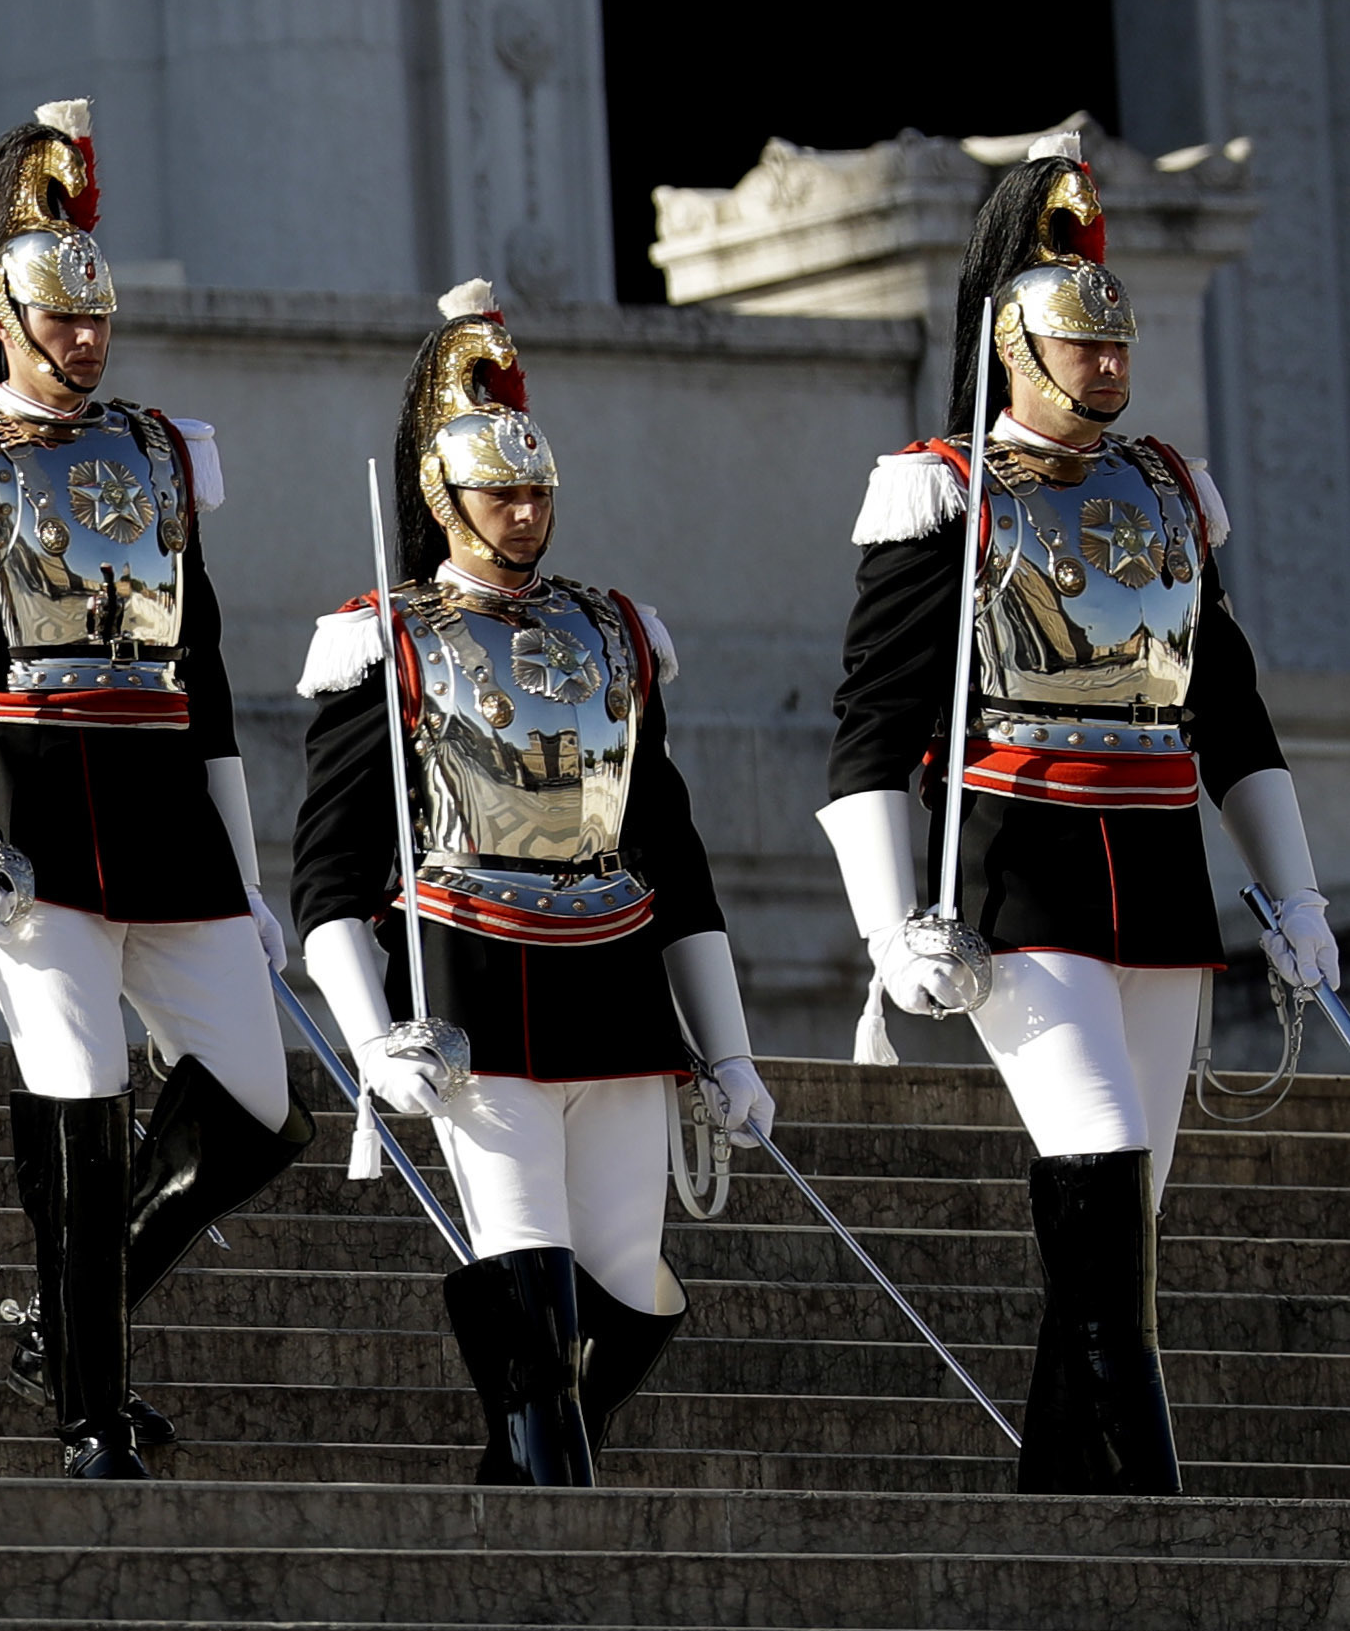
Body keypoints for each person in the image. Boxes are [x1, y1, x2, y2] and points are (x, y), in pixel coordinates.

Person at [823, 137, 1327, 1496]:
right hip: (1022, 876)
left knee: (1123, 1224)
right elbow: (870, 733)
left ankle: (1060, 1514)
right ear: (1013, 345)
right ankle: (1165, 1516)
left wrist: (1295, 894)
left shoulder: (1170, 487)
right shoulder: (944, 490)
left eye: (1119, 345)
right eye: (1080, 345)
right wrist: (891, 926)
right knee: (1099, 1162)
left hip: (1159, 880)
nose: (1109, 366)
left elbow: (1232, 717)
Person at [0, 102, 308, 1478]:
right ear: (4, 314)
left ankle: (67, 1311)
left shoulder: (162, 454)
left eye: (97, 315)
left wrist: (246, 871)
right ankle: (89, 1403)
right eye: (62, 316)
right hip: (33, 829)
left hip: (170, 831)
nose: (87, 337)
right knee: (82, 1090)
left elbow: (211, 691)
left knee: (261, 1105)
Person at [295, 283, 775, 1482]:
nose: (523, 510)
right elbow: (329, 873)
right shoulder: (384, 638)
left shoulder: (613, 632)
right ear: (437, 496)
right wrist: (371, 1035)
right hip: (466, 992)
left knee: (626, 1290)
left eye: (536, 489)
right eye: (498, 491)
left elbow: (672, 857)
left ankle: (511, 1489)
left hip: (612, 992)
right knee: (526, 1272)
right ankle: (555, 1522)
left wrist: (728, 1052)